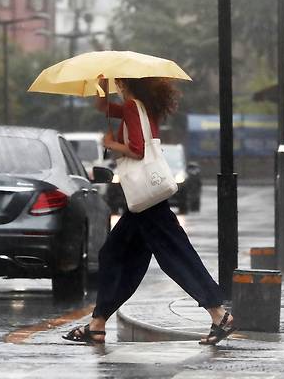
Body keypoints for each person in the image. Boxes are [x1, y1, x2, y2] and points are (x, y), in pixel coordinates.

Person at [62, 77, 236, 346]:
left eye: (117, 82)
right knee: (115, 254)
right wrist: (101, 84)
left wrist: (111, 144)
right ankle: (97, 323)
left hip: (148, 202)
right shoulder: (141, 106)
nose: (116, 86)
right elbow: (103, 107)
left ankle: (219, 314)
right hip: (141, 202)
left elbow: (138, 150)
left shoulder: (133, 107)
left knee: (175, 256)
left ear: (125, 82)